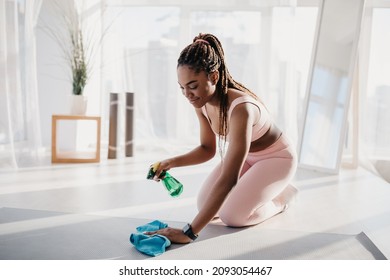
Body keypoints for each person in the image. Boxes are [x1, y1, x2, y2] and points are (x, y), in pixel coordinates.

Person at [146, 33, 297, 244]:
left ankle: (281, 198)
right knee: (204, 204)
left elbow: (229, 178)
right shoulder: (202, 102)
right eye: (182, 87)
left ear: (214, 77)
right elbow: (207, 149)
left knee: (232, 216)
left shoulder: (241, 108)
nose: (187, 94)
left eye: (192, 85)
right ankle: (262, 189)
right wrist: (171, 163)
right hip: (248, 158)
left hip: (277, 159)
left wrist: (188, 232)